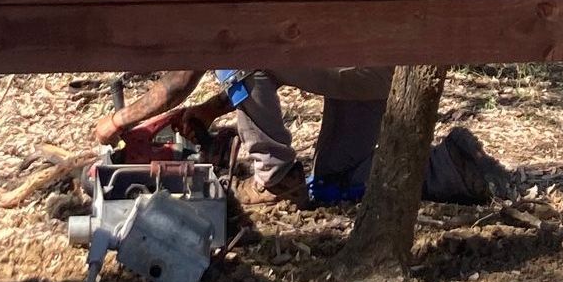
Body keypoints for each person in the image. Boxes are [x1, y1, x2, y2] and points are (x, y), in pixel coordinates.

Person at [92, 68, 511, 208]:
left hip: (365, 66)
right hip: (370, 68)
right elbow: (273, 66)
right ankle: (452, 167)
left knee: (234, 61)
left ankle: (275, 177)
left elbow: (178, 84)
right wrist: (208, 111)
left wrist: (118, 122)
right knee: (339, 184)